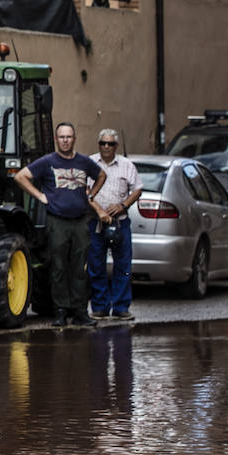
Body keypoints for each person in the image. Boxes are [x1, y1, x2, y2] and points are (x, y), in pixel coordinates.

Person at [14, 122, 107, 327]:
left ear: (74, 139)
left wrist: (91, 194)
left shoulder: (84, 162)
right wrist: (40, 196)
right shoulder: (48, 161)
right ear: (57, 140)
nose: (65, 140)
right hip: (57, 221)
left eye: (69, 137)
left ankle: (81, 312)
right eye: (62, 137)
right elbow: (21, 176)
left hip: (80, 221)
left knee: (80, 268)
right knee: (58, 267)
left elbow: (102, 175)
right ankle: (60, 311)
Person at [86, 129, 142, 321]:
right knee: (96, 265)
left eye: (110, 144)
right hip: (96, 222)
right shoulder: (90, 162)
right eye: (103, 143)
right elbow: (84, 190)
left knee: (123, 265)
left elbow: (137, 189)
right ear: (99, 144)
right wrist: (98, 210)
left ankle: (121, 307)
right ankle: (100, 306)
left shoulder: (127, 165)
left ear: (116, 146)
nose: (106, 147)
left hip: (120, 222)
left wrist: (122, 205)